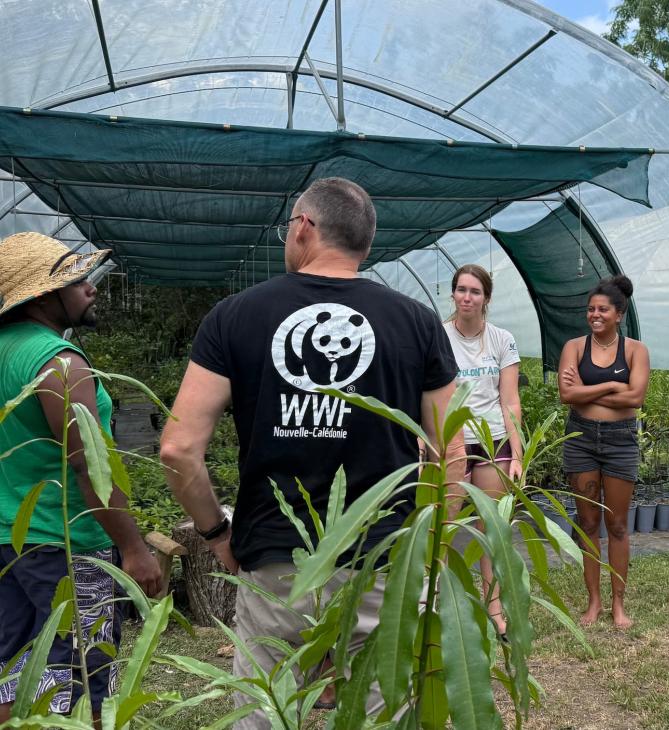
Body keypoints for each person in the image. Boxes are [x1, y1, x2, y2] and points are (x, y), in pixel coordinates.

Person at [159, 177, 460, 728]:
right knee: (379, 710)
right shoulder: (416, 321)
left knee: (266, 709)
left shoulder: (234, 316)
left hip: (276, 556)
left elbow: (178, 449)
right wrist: (432, 547)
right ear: (364, 244)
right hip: (382, 554)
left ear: (303, 227)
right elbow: (450, 454)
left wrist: (216, 535)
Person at [0, 232, 161, 723]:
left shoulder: (6, 349)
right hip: (68, 545)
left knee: (13, 672)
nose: (89, 287)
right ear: (42, 297)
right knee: (88, 674)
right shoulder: (59, 362)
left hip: (10, 540)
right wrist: (134, 549)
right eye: (75, 279)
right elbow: (91, 468)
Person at [558, 275, 649, 629]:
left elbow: (636, 398)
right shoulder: (574, 347)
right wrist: (614, 383)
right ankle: (594, 602)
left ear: (619, 314)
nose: (594, 315)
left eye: (602, 310)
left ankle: (619, 605)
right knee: (588, 523)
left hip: (620, 441)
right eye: (590, 309)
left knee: (617, 524)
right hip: (580, 438)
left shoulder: (635, 351)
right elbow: (567, 396)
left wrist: (589, 388)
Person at [443, 263, 522, 636]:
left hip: (492, 440)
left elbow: (510, 401)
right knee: (442, 525)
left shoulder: (502, 340)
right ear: (454, 294)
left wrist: (518, 453)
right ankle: (435, 604)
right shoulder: (439, 337)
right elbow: (428, 396)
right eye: (461, 290)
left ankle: (495, 610)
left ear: (486, 298)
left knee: (491, 527)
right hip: (452, 439)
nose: (467, 297)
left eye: (475, 291)